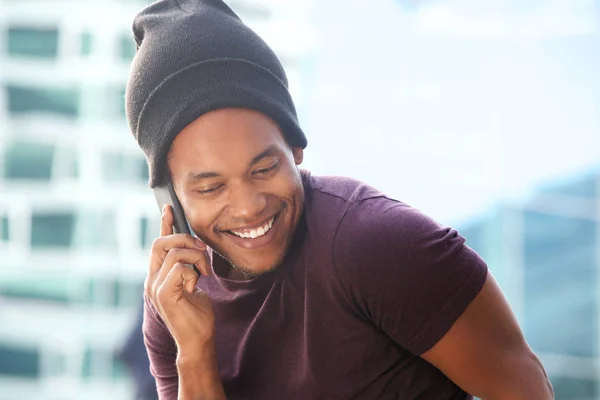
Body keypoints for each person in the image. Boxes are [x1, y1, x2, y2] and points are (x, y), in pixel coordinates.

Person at [125, 1, 554, 399]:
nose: (248, 206)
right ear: (170, 196)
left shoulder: (375, 244)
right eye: (210, 187)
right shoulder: (175, 300)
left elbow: (526, 389)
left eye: (263, 169)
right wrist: (195, 354)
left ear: (295, 148)